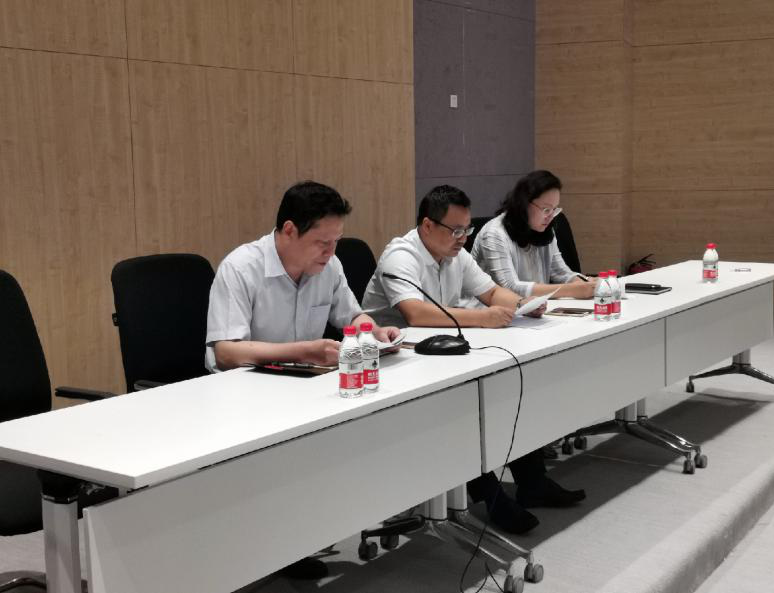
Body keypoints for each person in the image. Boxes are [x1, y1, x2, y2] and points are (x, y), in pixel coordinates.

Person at [205, 180, 400, 578]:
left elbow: (352, 315)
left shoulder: (329, 267)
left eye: (336, 242)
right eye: (322, 242)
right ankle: (267, 549)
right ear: (289, 230)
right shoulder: (241, 268)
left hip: (302, 385)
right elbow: (226, 352)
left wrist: (374, 330)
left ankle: (294, 540)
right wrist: (302, 350)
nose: (330, 252)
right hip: (241, 395)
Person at [362, 185, 583, 536]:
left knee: (504, 389)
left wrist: (519, 305)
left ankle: (532, 481)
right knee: (463, 409)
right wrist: (483, 318)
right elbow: (415, 313)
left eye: (467, 229)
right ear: (427, 225)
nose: (463, 238)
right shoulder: (401, 256)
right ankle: (491, 499)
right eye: (456, 230)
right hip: (392, 367)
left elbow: (491, 291)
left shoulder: (455, 253)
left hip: (439, 355)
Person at [470, 170, 596, 300]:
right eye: (546, 209)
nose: (550, 216)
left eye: (554, 210)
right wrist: (570, 290)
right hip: (487, 309)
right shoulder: (494, 234)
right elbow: (509, 287)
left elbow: (560, 272)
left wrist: (585, 282)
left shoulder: (545, 228)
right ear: (524, 204)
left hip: (533, 307)